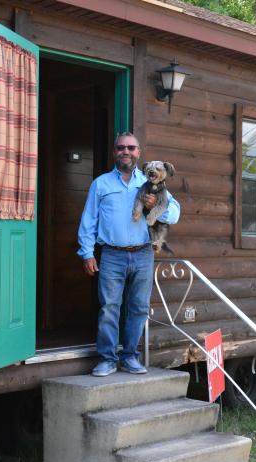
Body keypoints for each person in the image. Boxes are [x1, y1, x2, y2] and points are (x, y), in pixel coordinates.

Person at [77, 132, 180, 376]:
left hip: (144, 254)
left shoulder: (151, 182)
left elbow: (175, 214)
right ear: (115, 152)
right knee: (109, 308)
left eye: (131, 148)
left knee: (138, 308)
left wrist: (153, 206)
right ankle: (107, 359)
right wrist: (87, 253)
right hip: (111, 255)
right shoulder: (101, 184)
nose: (126, 152)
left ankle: (130, 357)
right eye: (121, 148)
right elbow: (88, 220)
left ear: (138, 153)